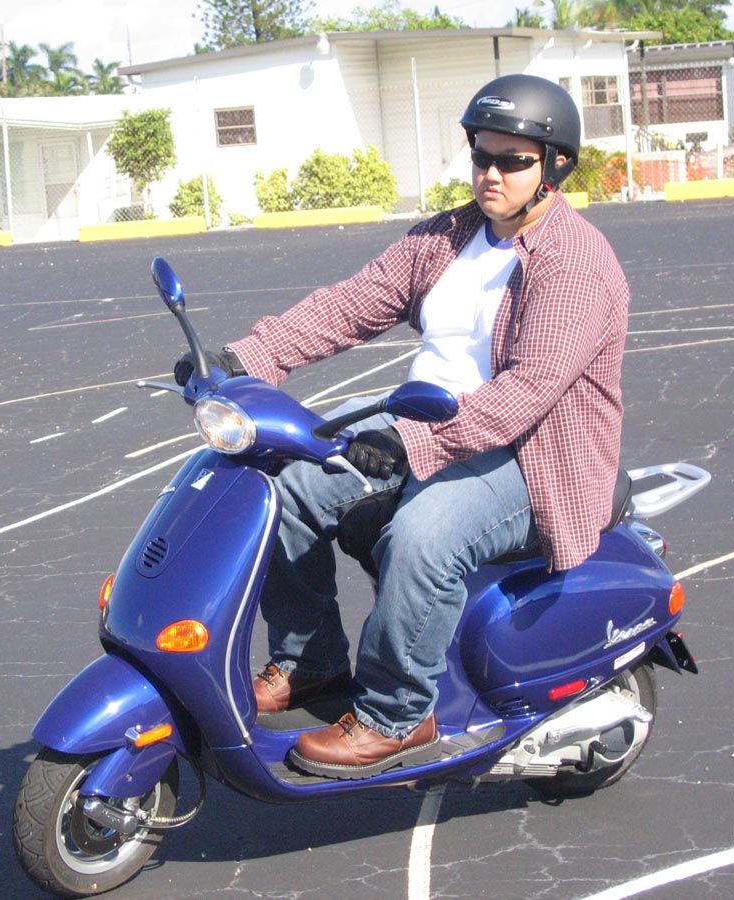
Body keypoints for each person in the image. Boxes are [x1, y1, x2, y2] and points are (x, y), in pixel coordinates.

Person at [175, 74, 630, 779]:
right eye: (481, 155)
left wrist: (408, 442)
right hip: (428, 419)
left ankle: (397, 713)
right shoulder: (449, 236)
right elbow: (353, 303)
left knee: (422, 536)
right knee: (286, 488)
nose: (490, 173)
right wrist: (242, 358)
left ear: (556, 165)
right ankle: (310, 660)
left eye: (512, 161)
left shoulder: (575, 262)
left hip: (535, 457)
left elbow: (527, 392)